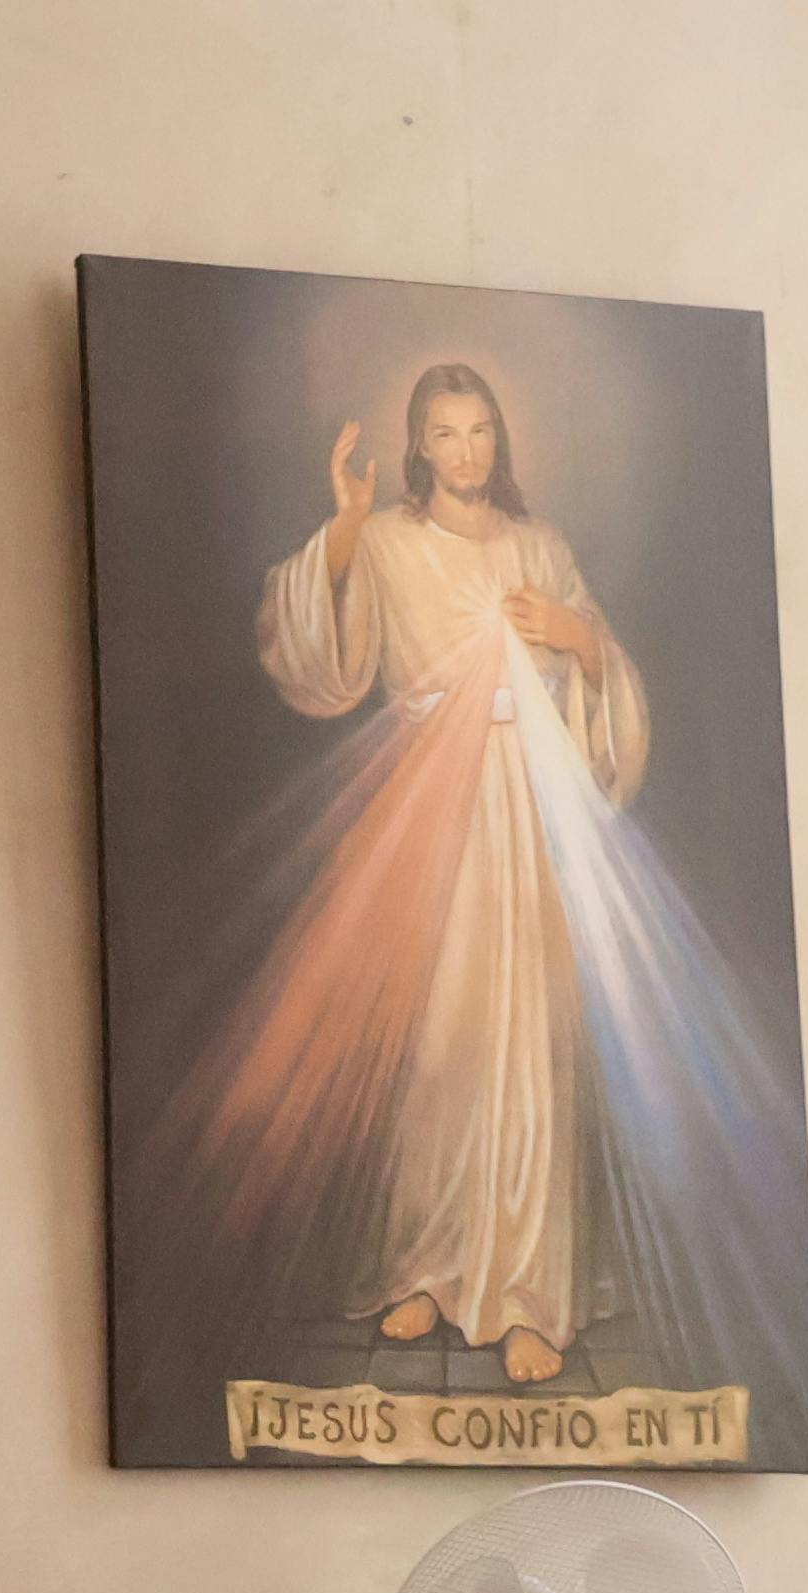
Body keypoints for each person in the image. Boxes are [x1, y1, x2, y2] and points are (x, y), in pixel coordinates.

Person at [245, 359, 645, 1386]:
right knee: (439, 1045)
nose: (465, 452)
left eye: (481, 433)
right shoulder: (383, 542)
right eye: (445, 434)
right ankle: (426, 1264)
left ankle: (528, 1295)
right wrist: (341, 524)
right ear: (417, 444)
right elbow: (316, 658)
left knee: (537, 1049)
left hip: (536, 812)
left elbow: (608, 681)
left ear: (497, 441)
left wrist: (584, 643)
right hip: (434, 808)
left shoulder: (540, 546)